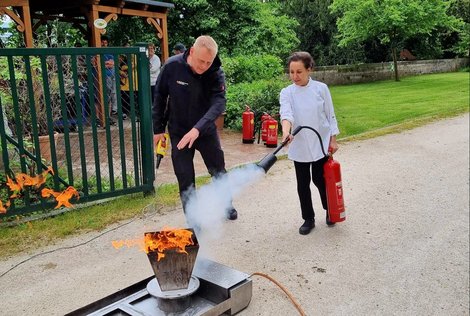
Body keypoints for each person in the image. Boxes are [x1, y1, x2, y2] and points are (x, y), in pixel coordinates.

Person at [152, 35, 237, 220]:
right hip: (179, 132)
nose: (204, 66)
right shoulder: (172, 66)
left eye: (208, 62)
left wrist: (197, 129)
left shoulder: (215, 72)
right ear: (191, 51)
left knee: (218, 169)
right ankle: (192, 217)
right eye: (201, 61)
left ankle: (227, 204)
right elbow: (159, 97)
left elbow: (219, 104)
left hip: (205, 131)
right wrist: (158, 129)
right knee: (184, 176)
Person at [279, 51, 340, 235]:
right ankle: (308, 218)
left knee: (320, 180)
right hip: (299, 144)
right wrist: (286, 132)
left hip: (320, 141)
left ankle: (330, 210)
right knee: (302, 183)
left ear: (309, 69)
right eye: (291, 72)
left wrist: (333, 138)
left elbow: (330, 115)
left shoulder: (321, 88)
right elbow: (286, 114)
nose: (294, 76)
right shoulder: (287, 92)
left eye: (299, 72)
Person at [101, 35, 126, 123]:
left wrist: (107, 63)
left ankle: (111, 114)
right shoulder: (98, 52)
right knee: (106, 95)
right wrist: (107, 63)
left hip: (113, 75)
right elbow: (99, 64)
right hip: (104, 76)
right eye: (102, 42)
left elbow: (113, 63)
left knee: (114, 93)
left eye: (105, 42)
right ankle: (104, 117)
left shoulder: (110, 51)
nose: (104, 44)